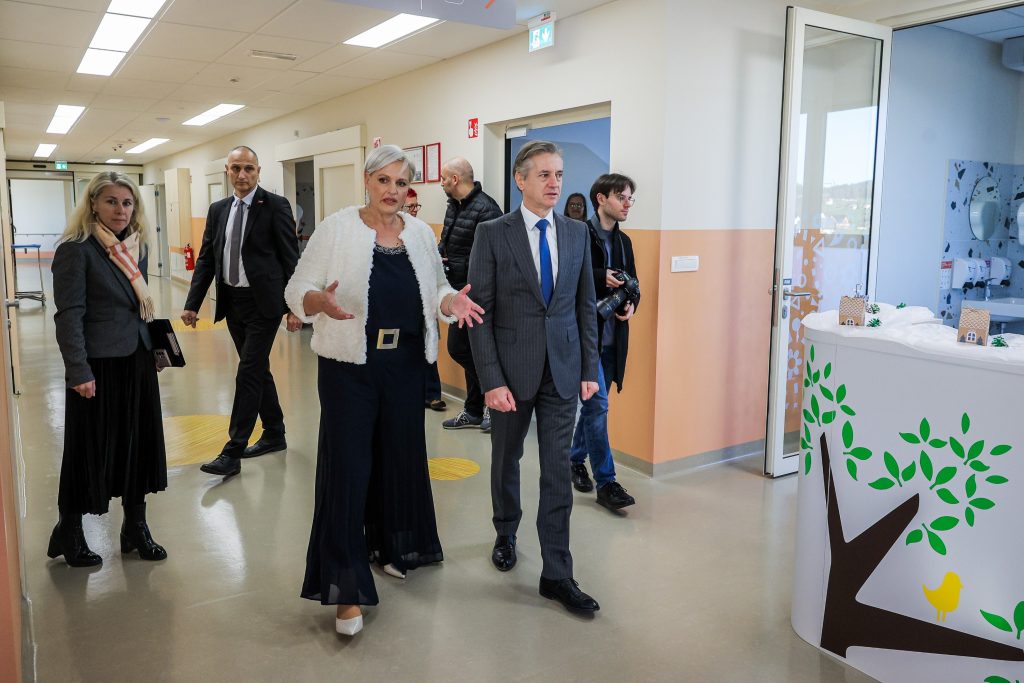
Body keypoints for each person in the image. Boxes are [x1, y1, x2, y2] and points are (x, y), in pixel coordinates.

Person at [285, 145, 483, 637]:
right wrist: (319, 302)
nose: (393, 191)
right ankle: (345, 588)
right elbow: (296, 288)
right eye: (384, 181)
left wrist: (450, 303)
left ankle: (392, 546)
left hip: (406, 365)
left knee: (400, 456)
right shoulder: (336, 228)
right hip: (349, 366)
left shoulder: (419, 233)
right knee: (348, 469)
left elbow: (436, 288)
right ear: (367, 181)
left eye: (402, 183)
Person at [468, 140, 601, 614]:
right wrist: (491, 380)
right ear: (520, 179)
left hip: (562, 371)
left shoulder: (577, 233)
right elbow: (479, 314)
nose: (554, 183)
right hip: (511, 372)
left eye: (559, 174)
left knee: (557, 472)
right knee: (507, 457)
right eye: (544, 174)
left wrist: (589, 368)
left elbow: (585, 306)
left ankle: (557, 573)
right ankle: (506, 530)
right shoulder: (492, 233)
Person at [49, 171, 168, 566]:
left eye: (127, 202)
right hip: (97, 366)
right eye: (111, 201)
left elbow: (138, 307)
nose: (121, 210)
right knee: (88, 448)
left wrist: (156, 348)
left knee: (138, 443)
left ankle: (135, 526)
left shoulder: (136, 246)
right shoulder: (76, 250)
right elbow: (69, 316)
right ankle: (70, 529)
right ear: (93, 205)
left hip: (136, 359)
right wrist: (78, 370)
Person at [182, 146, 301, 478]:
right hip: (233, 303)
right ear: (228, 171)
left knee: (248, 372)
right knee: (258, 369)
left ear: (258, 170)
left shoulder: (275, 205)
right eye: (236, 168)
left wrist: (295, 307)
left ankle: (233, 451)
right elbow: (207, 258)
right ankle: (274, 433)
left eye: (249, 168)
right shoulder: (218, 209)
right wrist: (192, 303)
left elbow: (291, 259)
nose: (242, 174)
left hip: (264, 304)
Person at [570, 174, 640, 511]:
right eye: (621, 197)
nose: (627, 204)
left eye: (630, 199)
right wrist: (602, 277)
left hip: (614, 337)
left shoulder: (624, 241)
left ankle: (574, 459)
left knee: (595, 407)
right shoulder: (579, 235)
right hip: (587, 337)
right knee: (598, 406)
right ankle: (607, 482)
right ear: (601, 199)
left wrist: (631, 304)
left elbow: (634, 283)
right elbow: (566, 280)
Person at [438, 157, 502, 432]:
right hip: (455, 293)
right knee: (468, 352)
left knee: (461, 349)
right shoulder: (453, 205)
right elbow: (448, 242)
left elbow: (492, 256)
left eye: (443, 178)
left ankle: (492, 402)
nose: (441, 182)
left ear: (455, 179)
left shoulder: (487, 209)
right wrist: (440, 256)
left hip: (477, 296)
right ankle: (474, 409)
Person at [405, 189, 446, 411]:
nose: (414, 210)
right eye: (410, 206)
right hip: (403, 300)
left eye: (416, 206)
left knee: (428, 343)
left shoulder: (423, 232)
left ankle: (432, 394)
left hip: (424, 298)